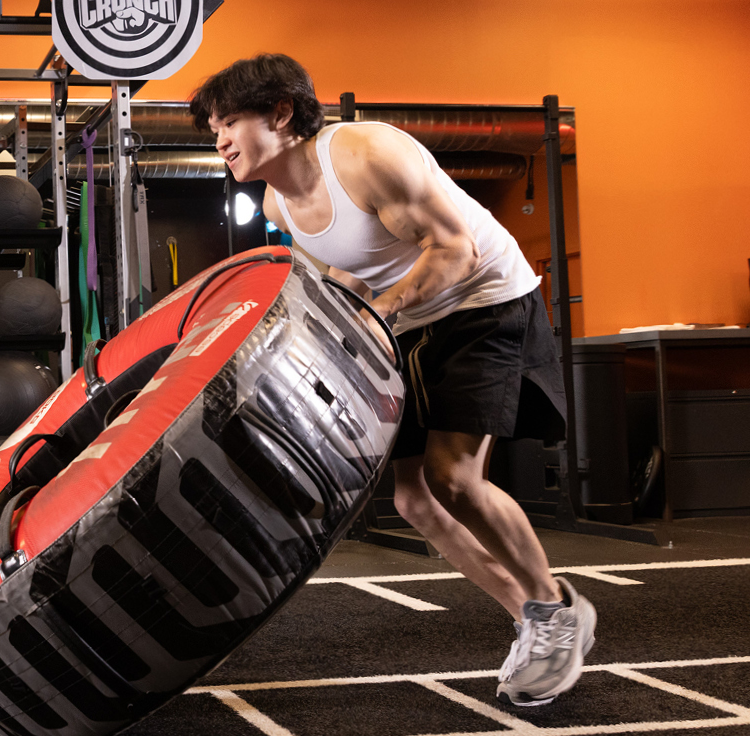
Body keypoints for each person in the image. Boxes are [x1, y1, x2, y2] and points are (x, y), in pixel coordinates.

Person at [190, 54, 594, 707]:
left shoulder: (366, 153)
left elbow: (455, 250)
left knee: (454, 479)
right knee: (415, 502)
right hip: (410, 319)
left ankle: (553, 612)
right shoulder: (277, 202)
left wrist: (379, 314)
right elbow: (349, 277)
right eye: (214, 127)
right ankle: (530, 616)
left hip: (484, 302)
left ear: (282, 113)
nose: (221, 139)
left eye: (231, 120)